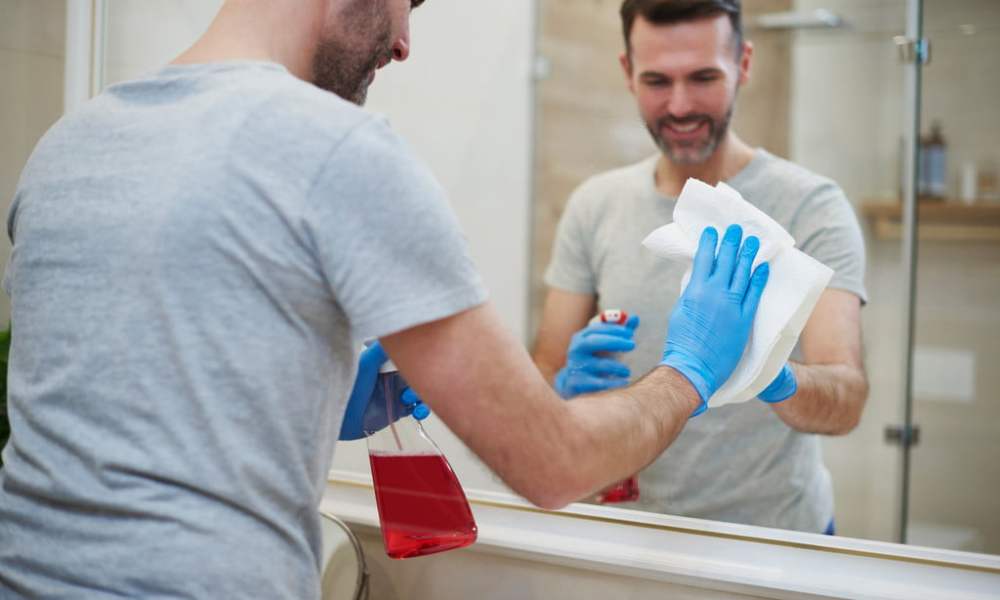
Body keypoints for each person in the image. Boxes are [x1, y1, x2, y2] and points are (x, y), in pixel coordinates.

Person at [0, 0, 771, 597]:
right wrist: (690, 369)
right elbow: (553, 464)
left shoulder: (69, 144)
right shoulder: (340, 147)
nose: (404, 42)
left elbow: (130, 407)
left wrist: (305, 394)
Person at [532, 0, 869, 534]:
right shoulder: (595, 205)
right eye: (658, 81)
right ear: (627, 73)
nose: (680, 105)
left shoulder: (812, 207)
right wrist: (562, 387)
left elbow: (846, 399)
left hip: (774, 540)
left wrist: (770, 372)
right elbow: (546, 367)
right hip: (628, 536)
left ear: (745, 64)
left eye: (704, 77)